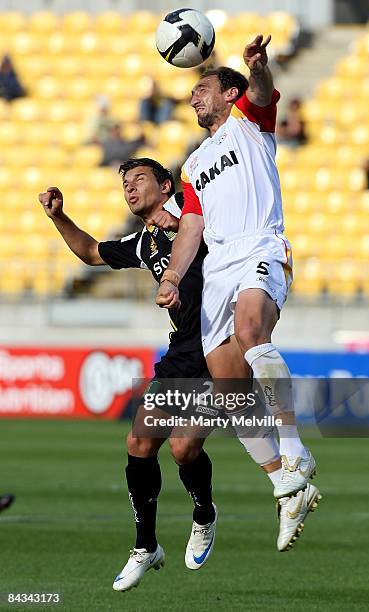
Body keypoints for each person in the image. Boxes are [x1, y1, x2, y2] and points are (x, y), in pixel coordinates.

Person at [38, 157, 319, 592]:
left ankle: (205, 514)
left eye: (139, 180)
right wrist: (59, 217)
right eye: (125, 183)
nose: (129, 189)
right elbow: (91, 252)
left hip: (214, 347)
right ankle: (145, 546)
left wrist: (189, 222)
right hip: (179, 357)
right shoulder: (143, 243)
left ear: (166, 185)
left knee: (184, 450)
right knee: (139, 442)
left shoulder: (202, 220)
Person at [156, 35, 320, 505]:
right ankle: (286, 487)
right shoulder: (191, 165)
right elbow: (191, 225)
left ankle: (294, 449)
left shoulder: (249, 122)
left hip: (260, 246)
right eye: (191, 94)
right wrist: (171, 278)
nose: (194, 97)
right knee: (230, 393)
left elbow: (264, 91)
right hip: (218, 271)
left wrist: (257, 68)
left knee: (252, 330)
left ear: (231, 93)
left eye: (202, 89)